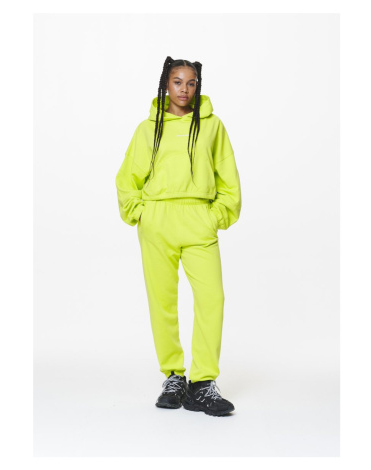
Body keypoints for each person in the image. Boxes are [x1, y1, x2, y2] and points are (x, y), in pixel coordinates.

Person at [115, 56, 241, 416]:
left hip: (198, 219)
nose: (184, 89)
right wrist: (141, 214)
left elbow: (228, 178)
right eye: (177, 82)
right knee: (162, 301)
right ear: (165, 84)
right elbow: (128, 178)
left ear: (198, 86)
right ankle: (173, 375)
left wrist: (215, 216)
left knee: (212, 298)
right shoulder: (148, 129)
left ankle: (203, 383)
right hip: (158, 220)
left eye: (191, 83)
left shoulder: (212, 126)